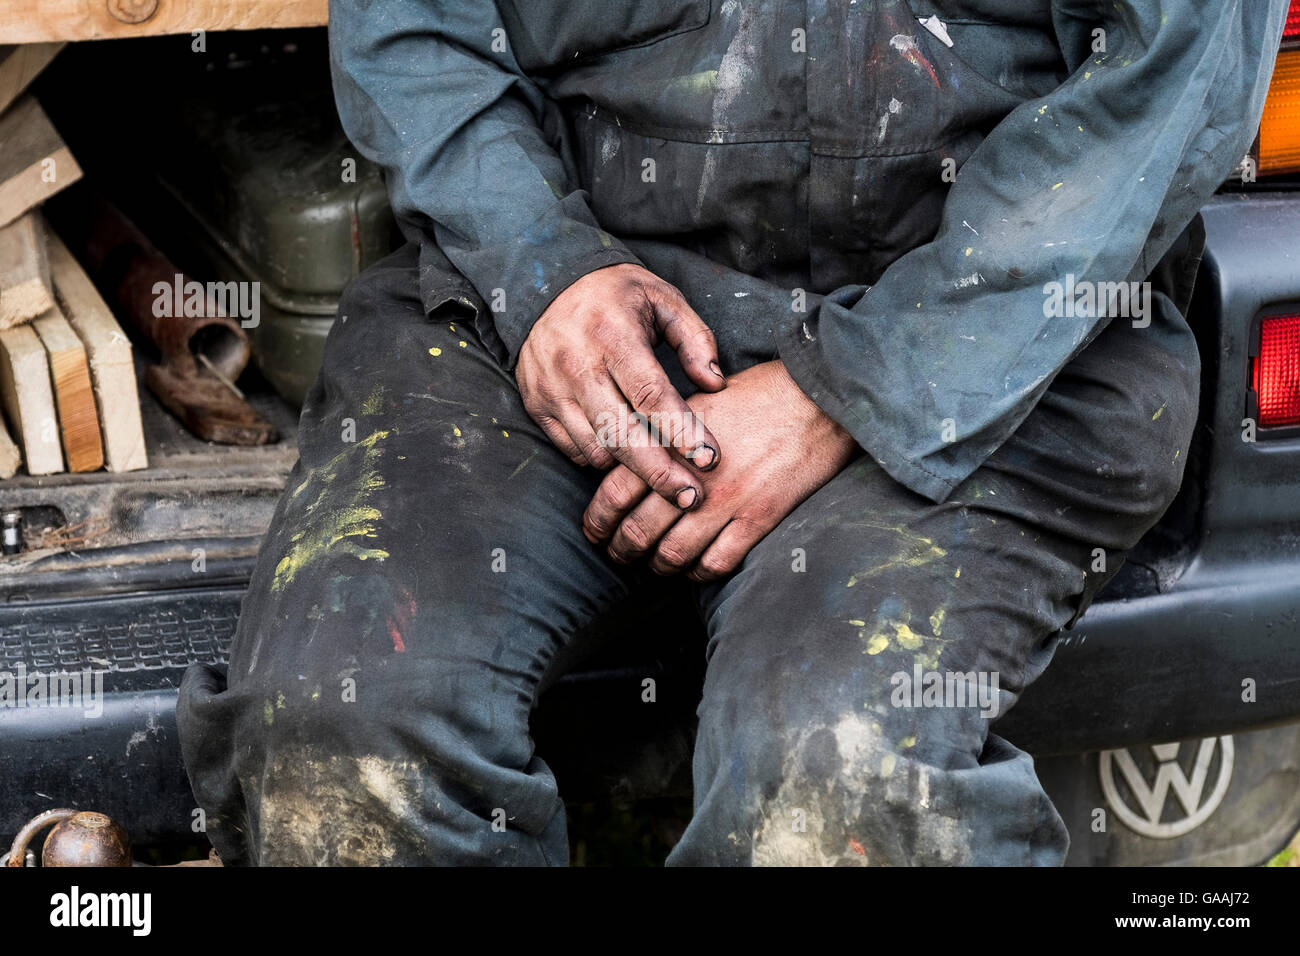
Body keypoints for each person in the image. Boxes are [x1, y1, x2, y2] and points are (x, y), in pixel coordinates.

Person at [177, 0, 1286, 865]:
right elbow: (414, 24)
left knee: (837, 775)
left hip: (982, 333)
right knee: (339, 725)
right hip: (553, 302)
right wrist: (539, 267)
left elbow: (1167, 85)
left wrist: (848, 385)